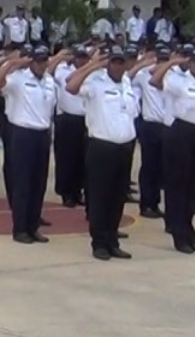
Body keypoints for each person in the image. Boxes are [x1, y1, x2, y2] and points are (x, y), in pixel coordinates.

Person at [65, 48, 138, 260]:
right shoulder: (96, 82)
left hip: (124, 146)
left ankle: (112, 240)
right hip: (101, 146)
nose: (117, 66)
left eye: (120, 62)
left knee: (117, 197)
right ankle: (99, 243)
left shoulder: (126, 83)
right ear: (108, 64)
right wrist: (93, 65)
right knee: (99, 197)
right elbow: (71, 86)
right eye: (113, 62)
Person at [0, 46, 64, 243]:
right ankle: (20, 228)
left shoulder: (50, 81)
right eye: (38, 61)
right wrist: (13, 64)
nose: (41, 65)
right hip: (22, 133)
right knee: (22, 183)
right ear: (30, 61)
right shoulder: (18, 79)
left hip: (42, 134)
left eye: (44, 61)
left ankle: (33, 227)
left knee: (38, 184)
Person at [151, 48, 195, 254]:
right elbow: (155, 81)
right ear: (189, 62)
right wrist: (171, 62)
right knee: (178, 184)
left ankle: (189, 232)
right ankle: (179, 234)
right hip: (180, 133)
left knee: (193, 186)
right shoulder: (179, 80)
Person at [131, 47, 169, 219]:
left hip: (167, 126)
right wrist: (142, 64)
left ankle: (155, 203)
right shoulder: (144, 76)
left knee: (163, 167)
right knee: (149, 167)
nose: (162, 63)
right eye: (160, 60)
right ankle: (146, 204)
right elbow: (127, 77)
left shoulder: (172, 77)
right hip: (150, 125)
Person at [53, 47, 90, 207]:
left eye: (85, 58)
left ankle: (77, 191)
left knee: (82, 159)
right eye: (79, 58)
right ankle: (66, 193)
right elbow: (69, 81)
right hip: (68, 119)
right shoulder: (64, 71)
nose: (82, 61)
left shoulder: (92, 74)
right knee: (66, 158)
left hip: (85, 119)